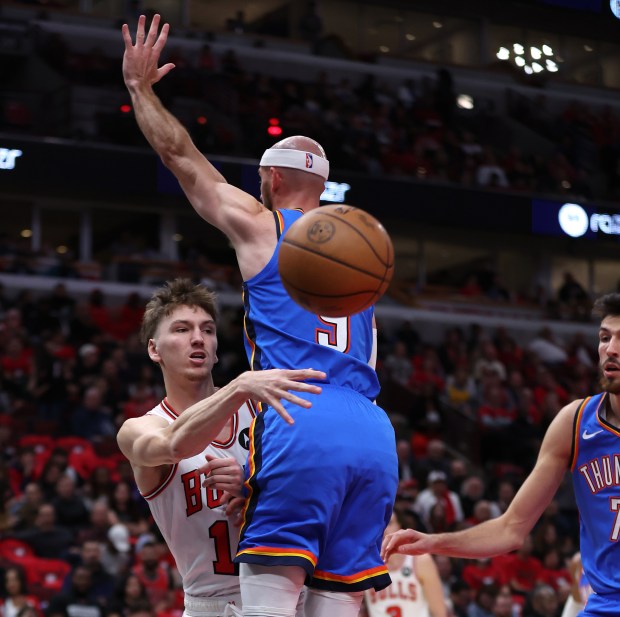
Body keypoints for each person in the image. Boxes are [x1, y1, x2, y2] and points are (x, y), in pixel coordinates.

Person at [122, 15, 398, 617]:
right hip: (373, 432)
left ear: (269, 178)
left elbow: (180, 156)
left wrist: (141, 90)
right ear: (321, 187)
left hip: (300, 414)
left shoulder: (263, 224)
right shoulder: (363, 254)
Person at [382, 292, 620, 616]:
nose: (611, 349)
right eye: (605, 337)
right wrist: (434, 542)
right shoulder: (575, 422)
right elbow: (511, 529)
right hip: (605, 605)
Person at [117, 279, 326, 617]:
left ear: (215, 347)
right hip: (210, 605)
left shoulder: (261, 407)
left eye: (208, 330)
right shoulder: (140, 428)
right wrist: (239, 386)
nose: (198, 338)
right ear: (155, 349)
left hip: (290, 596)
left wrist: (253, 489)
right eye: (182, 329)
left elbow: (318, 494)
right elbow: (173, 445)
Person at [361, 511, 447, 617]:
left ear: (399, 527)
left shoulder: (420, 560)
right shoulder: (363, 566)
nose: (383, 530)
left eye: (389, 523)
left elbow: (439, 613)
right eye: (377, 525)